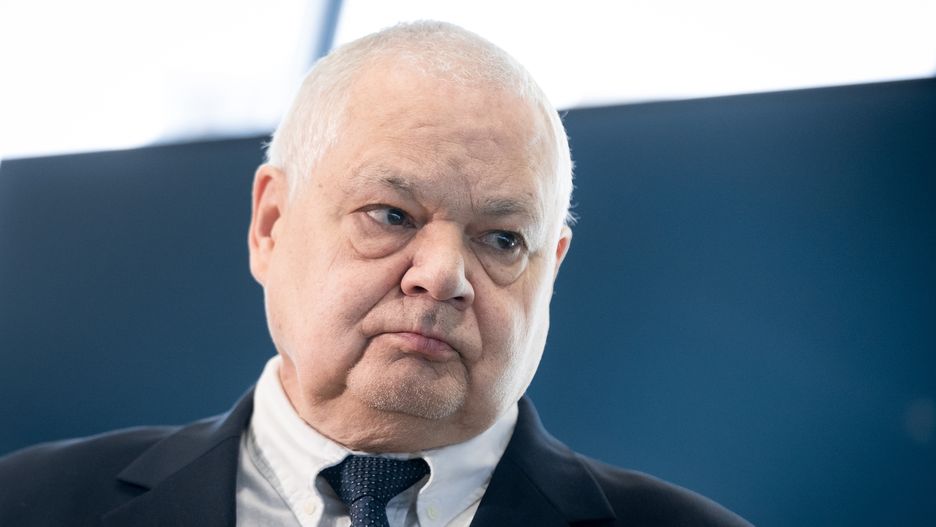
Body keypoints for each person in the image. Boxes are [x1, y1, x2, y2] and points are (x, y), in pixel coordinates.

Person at [0, 21, 752, 526]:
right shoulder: (28, 504)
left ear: (549, 270)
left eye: (501, 238)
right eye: (391, 214)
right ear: (271, 224)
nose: (442, 275)